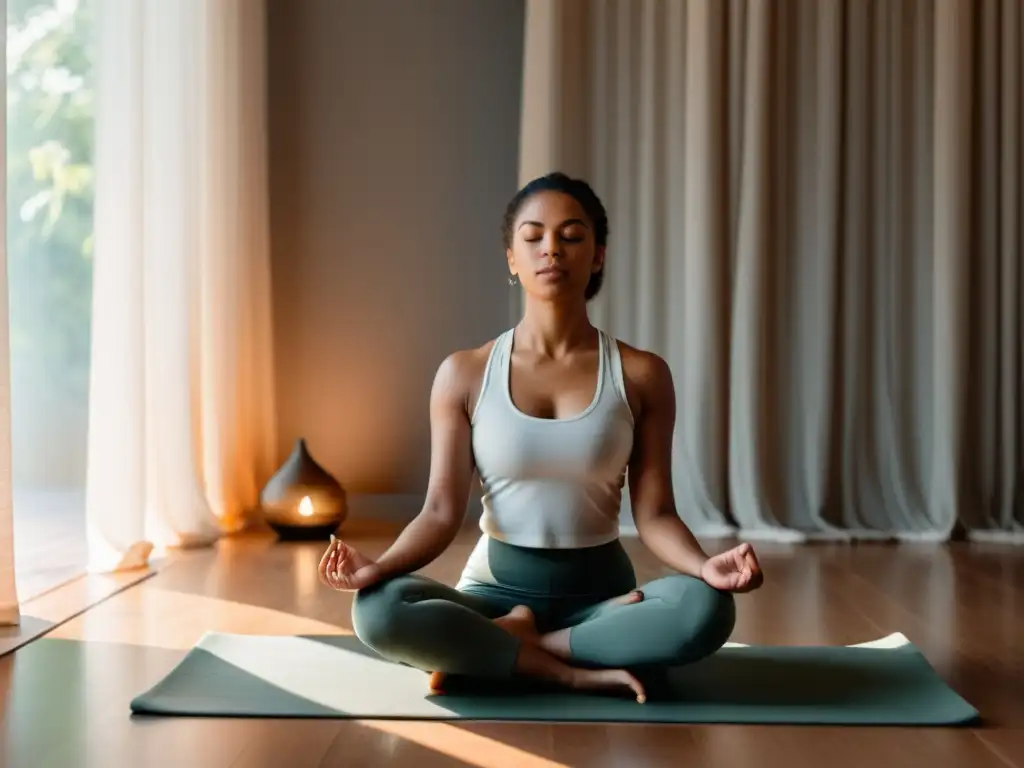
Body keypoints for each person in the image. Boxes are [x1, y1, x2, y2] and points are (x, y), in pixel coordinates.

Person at [317, 172, 763, 703]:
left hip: (602, 599)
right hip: (490, 598)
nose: (552, 248)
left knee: (707, 608)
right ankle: (565, 666)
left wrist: (703, 567)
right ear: (512, 257)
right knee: (376, 610)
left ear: (597, 255)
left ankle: (509, 651)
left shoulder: (642, 374)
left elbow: (656, 513)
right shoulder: (465, 373)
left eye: (572, 236)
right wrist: (378, 568)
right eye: (533, 236)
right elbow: (440, 511)